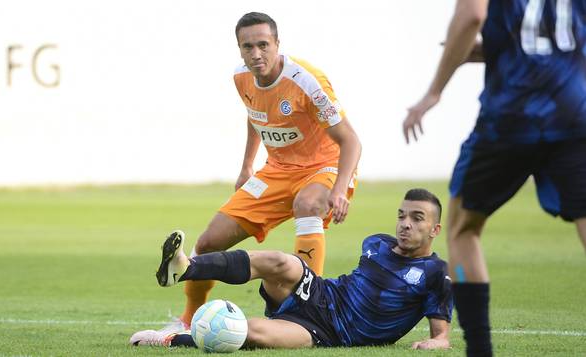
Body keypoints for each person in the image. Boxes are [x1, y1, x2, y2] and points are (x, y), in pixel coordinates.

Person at [131, 11, 362, 344]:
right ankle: (186, 319)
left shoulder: (307, 81)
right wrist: (246, 167)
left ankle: (312, 306)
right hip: (277, 170)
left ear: (278, 44)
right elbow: (256, 116)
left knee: (308, 203)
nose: (256, 54)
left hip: (322, 166)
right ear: (239, 49)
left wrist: (340, 189)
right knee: (208, 242)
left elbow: (351, 140)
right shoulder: (241, 78)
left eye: (263, 45)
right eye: (248, 46)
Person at [402, 1, 586, 356]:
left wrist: (434, 91)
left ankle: (480, 350)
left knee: (462, 228)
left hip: (510, 115)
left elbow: (472, 15)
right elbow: (557, 38)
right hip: (573, 111)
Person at [132, 189, 452, 350]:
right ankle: (186, 267)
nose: (405, 224)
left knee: (250, 331)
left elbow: (442, 336)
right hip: (321, 294)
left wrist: (435, 343)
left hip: (329, 333)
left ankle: (170, 339)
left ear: (435, 229)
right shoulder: (376, 243)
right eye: (401, 215)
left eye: (416, 218)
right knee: (281, 262)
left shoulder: (436, 273)